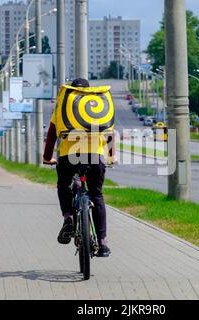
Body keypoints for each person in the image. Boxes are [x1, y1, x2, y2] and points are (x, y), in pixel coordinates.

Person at [43, 78, 116, 258]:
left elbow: (52, 134)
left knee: (64, 186)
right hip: (95, 156)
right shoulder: (98, 105)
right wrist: (111, 156)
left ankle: (68, 217)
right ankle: (103, 243)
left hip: (69, 156)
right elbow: (109, 132)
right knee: (97, 194)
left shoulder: (63, 105)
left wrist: (47, 158)